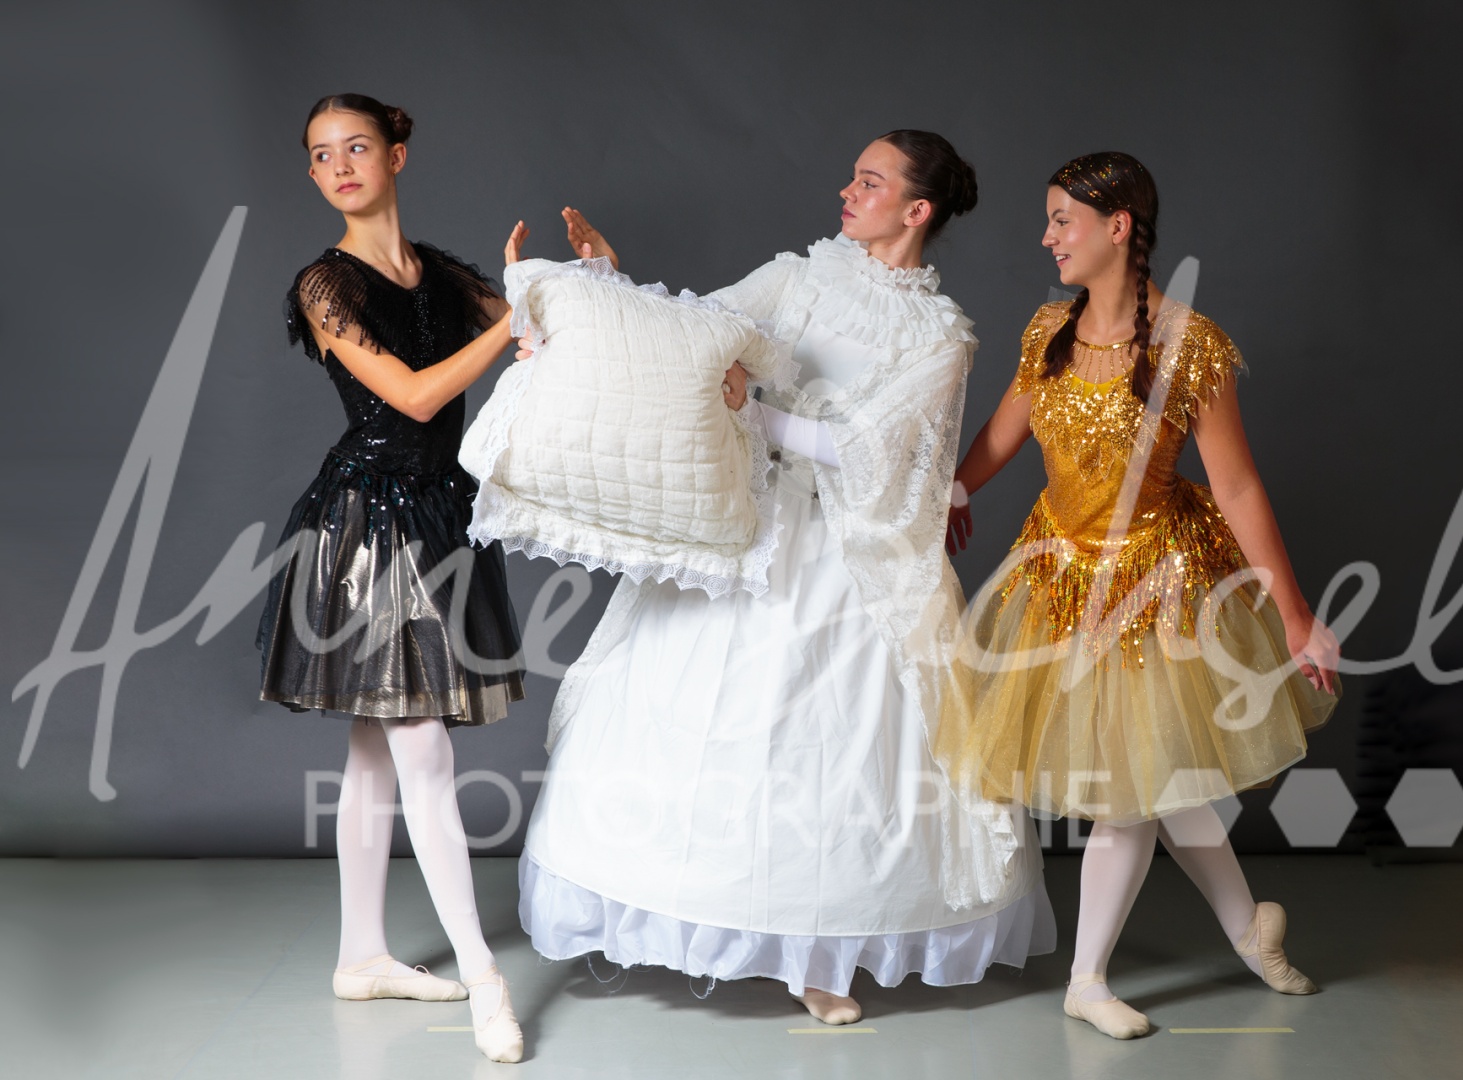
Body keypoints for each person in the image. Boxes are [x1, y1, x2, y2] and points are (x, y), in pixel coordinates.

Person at [517, 132, 1054, 1025]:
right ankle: (707, 909)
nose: (848, 190)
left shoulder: (939, 338)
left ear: (916, 210)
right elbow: (692, 333)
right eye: (854, 176)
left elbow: (873, 452)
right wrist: (604, 281)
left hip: (846, 553)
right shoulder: (798, 276)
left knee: (828, 743)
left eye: (870, 182)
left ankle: (822, 953)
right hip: (749, 522)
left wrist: (756, 412)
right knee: (708, 718)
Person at [938, 151, 1340, 1038]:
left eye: (1062, 220)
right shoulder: (1048, 327)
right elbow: (1006, 431)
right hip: (1058, 577)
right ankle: (1251, 931)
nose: (1047, 238)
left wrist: (1297, 618)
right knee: (1162, 780)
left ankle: (1086, 980)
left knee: (1128, 790)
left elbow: (1237, 487)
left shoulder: (1191, 344)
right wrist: (953, 492)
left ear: (1117, 227)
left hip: (1155, 584)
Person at [256, 93, 527, 1063]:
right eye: (321, 155)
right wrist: (518, 319)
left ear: (396, 156)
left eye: (356, 148)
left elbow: (543, 331)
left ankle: (361, 955)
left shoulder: (442, 276)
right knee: (419, 743)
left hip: (439, 515)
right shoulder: (324, 286)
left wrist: (573, 287)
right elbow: (414, 396)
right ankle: (485, 978)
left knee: (377, 744)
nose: (339, 167)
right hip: (367, 525)